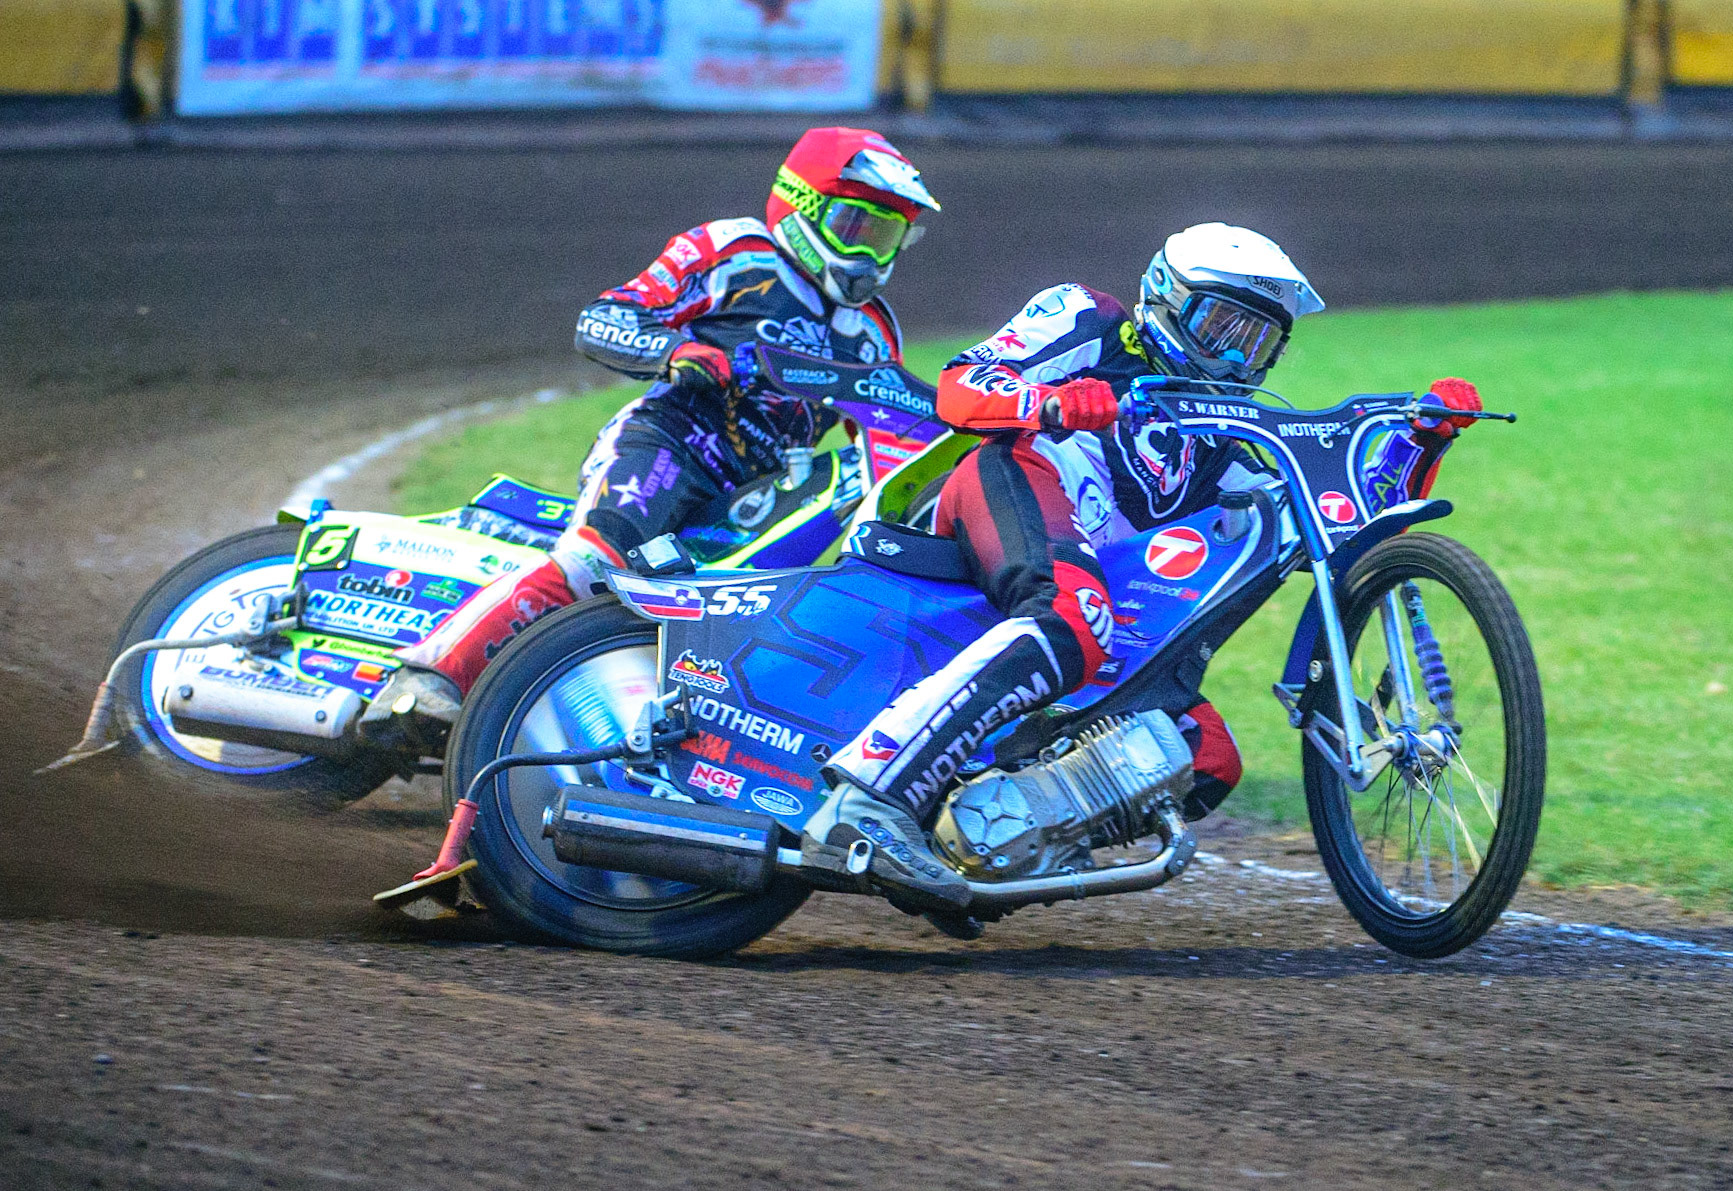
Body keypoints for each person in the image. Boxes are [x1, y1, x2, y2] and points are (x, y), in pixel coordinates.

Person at [801, 222, 1483, 913]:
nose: (1233, 357)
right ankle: (871, 797)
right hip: (1012, 474)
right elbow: (960, 383)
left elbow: (1348, 522)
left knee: (1207, 754)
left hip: (1092, 574)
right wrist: (1051, 402)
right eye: (1220, 326)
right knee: (1073, 619)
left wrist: (1423, 443)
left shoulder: (1229, 439)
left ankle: (984, 849)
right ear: (1165, 296)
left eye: (1257, 342)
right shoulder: (1087, 318)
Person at [362, 127, 939, 749]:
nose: (870, 255)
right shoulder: (736, 254)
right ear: (803, 204)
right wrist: (676, 349)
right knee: (599, 560)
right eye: (857, 228)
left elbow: (891, 424)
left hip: (759, 493)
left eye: (887, 238)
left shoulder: (875, 331)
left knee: (734, 616)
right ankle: (429, 678)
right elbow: (606, 318)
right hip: (671, 442)